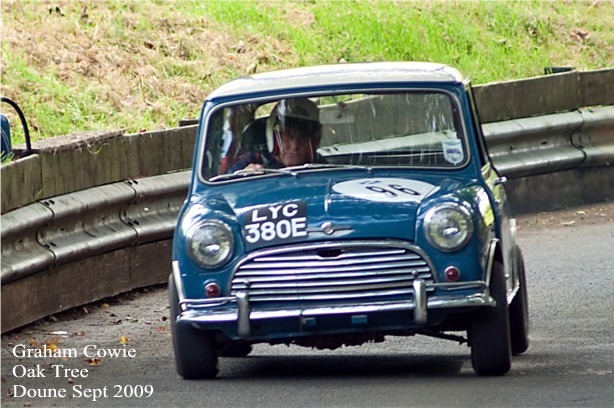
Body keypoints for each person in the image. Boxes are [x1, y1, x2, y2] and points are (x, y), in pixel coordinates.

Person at [228, 98, 324, 173]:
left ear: (314, 140)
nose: (294, 146)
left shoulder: (319, 165)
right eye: (287, 136)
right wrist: (244, 177)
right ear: (273, 137)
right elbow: (226, 190)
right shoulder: (252, 160)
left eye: (303, 137)